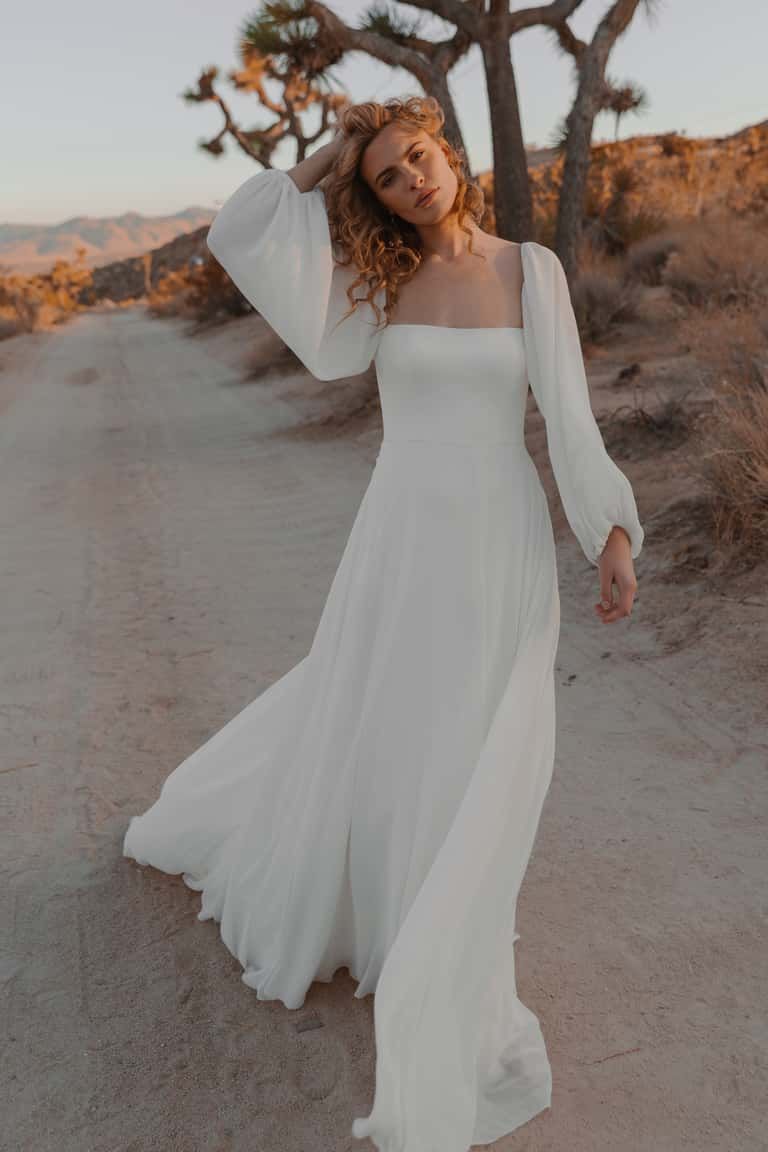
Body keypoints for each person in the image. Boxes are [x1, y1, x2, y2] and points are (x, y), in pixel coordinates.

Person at [123, 94, 644, 1152]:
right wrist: (334, 154)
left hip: (495, 541)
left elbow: (569, 419)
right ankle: (397, 916)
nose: (413, 182)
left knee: (483, 743)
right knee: (393, 725)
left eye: (417, 158)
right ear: (377, 198)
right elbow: (242, 229)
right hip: (399, 541)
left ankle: (447, 931)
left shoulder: (529, 270)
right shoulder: (376, 289)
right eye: (389, 179)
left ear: (447, 150)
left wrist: (612, 535)